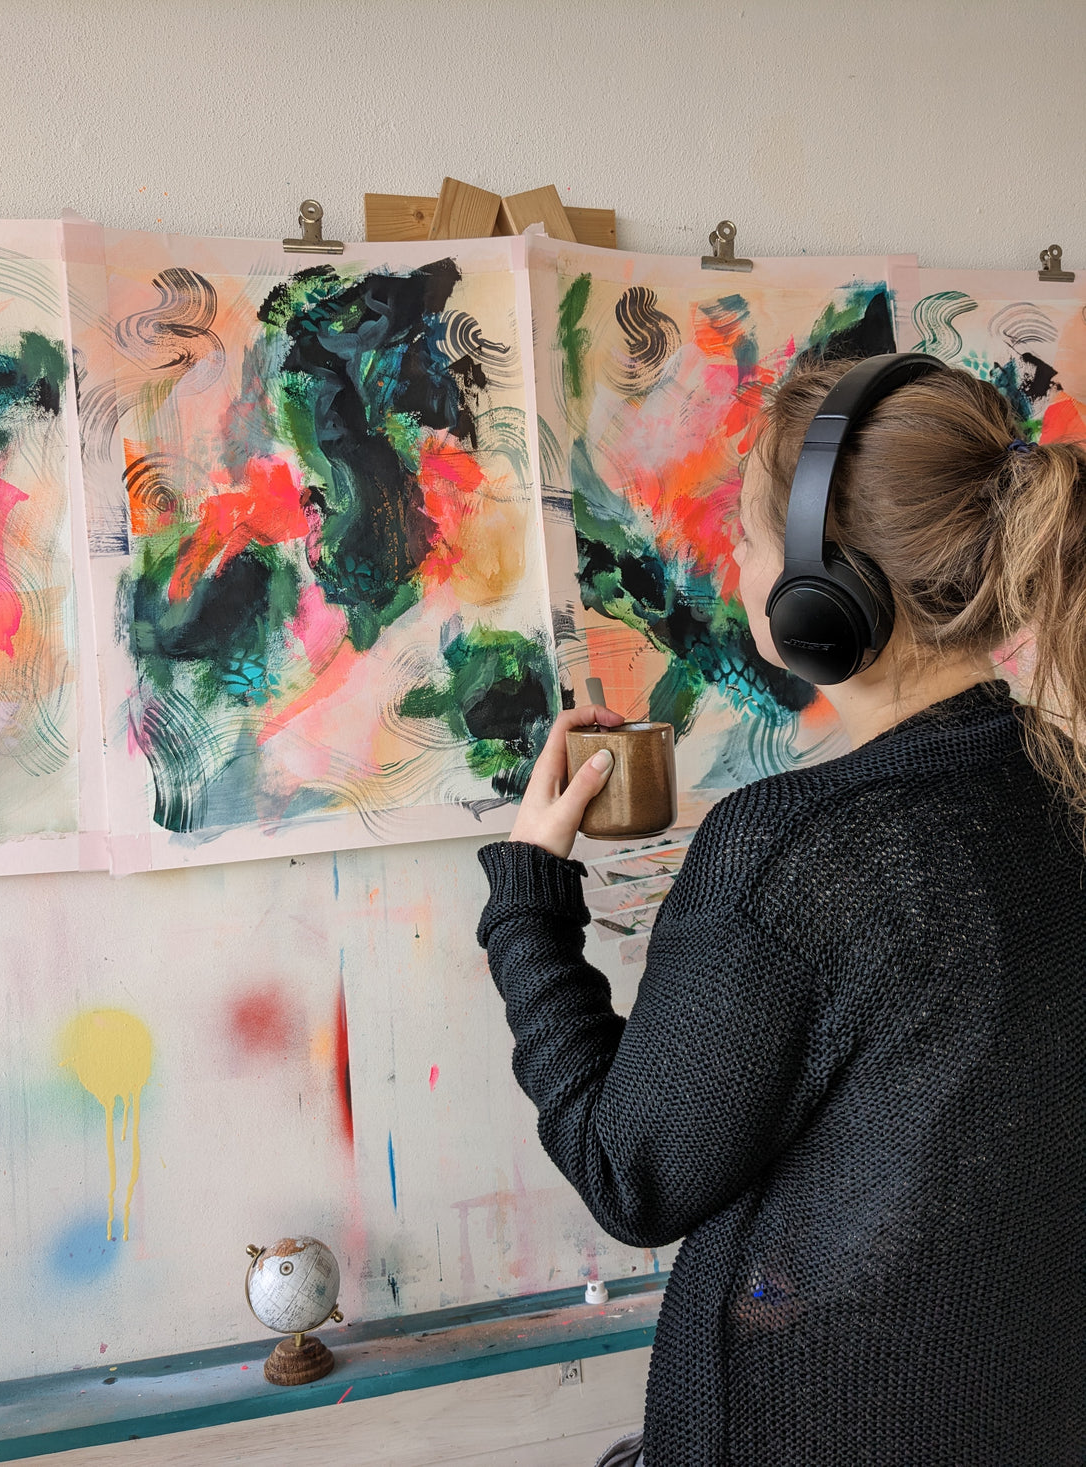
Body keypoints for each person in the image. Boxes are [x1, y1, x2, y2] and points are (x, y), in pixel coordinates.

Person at [475, 355, 1086, 1466]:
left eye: (750, 540)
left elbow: (633, 1175)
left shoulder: (793, 852)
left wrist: (528, 900)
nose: (734, 564)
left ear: (824, 592)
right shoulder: (1065, 788)